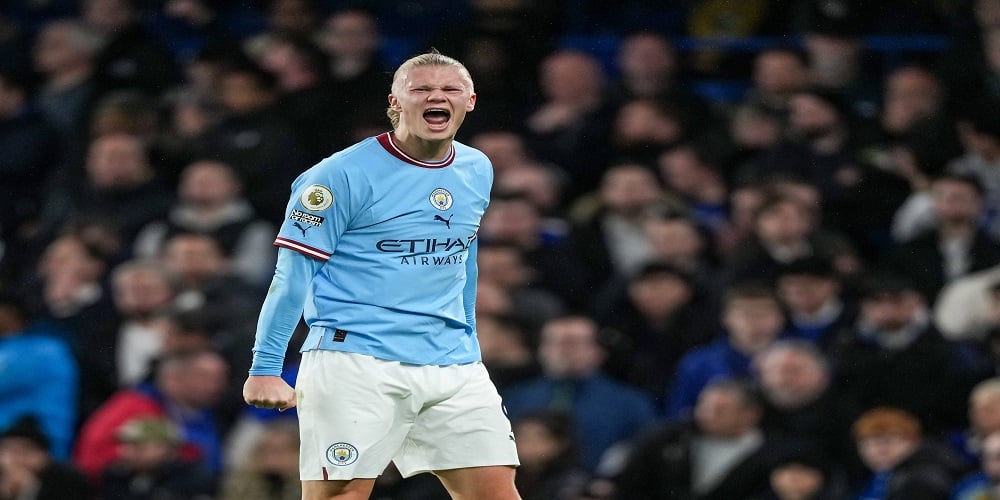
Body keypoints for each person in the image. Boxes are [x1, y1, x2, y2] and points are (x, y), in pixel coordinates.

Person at [241, 51, 521, 500]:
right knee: (343, 495)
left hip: (453, 362)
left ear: (470, 101)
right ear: (395, 102)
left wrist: (468, 332)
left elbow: (462, 255)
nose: (436, 97)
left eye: (450, 89)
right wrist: (266, 368)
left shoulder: (476, 168)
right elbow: (291, 277)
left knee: (495, 493)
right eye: (421, 89)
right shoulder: (336, 176)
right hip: (355, 360)